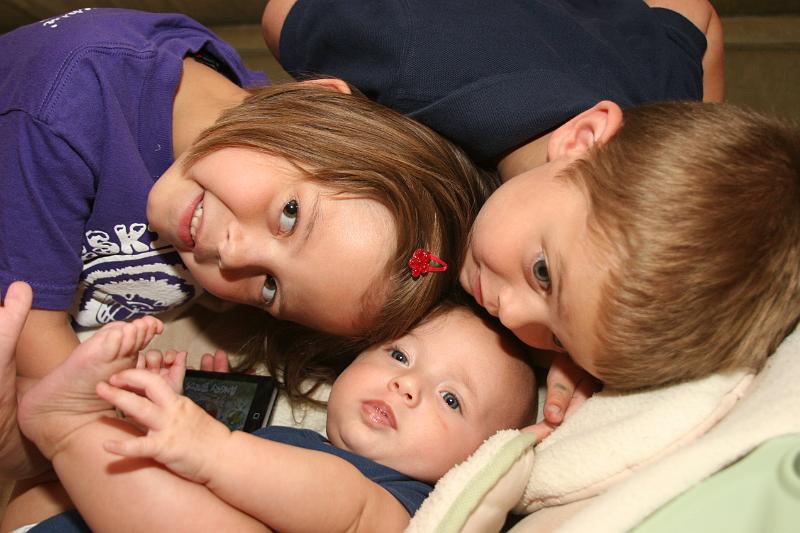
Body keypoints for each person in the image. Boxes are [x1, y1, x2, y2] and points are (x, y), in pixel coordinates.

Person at [0, 7, 493, 528]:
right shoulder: (60, 107)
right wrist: (114, 425)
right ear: (312, 107)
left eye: (270, 287)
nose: (234, 256)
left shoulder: (238, 135)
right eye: (290, 215)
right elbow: (49, 402)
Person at [262, 0, 800, 407]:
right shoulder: (422, 57)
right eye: (543, 273)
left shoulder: (624, 148)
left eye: (557, 335)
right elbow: (281, 14)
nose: (511, 314)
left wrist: (568, 345)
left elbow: (698, 17)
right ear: (582, 140)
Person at [14, 291, 539, 532]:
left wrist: (212, 448)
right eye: (400, 356)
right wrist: (165, 421)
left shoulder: (408, 504)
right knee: (43, 490)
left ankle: (67, 428)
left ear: (477, 457)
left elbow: (342, 505)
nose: (406, 385)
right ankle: (72, 435)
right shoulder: (286, 439)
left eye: (451, 399)